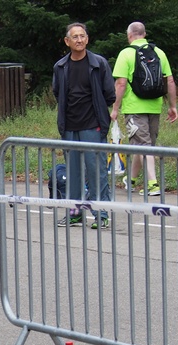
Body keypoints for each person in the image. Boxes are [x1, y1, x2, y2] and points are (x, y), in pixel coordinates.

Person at [52, 22, 116, 229]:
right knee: (73, 173)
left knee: (96, 171)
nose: (79, 40)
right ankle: (75, 213)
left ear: (87, 39)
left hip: (93, 126)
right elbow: (57, 93)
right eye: (75, 37)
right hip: (69, 126)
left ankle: (102, 214)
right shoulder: (60, 66)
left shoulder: (99, 63)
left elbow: (109, 94)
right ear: (67, 41)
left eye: (82, 36)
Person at [110, 21, 177, 197]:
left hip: (134, 107)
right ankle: (130, 180)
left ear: (129, 35)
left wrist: (115, 108)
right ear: (144, 34)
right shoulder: (159, 53)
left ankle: (153, 185)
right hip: (155, 106)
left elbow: (121, 83)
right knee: (145, 146)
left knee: (143, 146)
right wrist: (172, 106)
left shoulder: (126, 54)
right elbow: (169, 80)